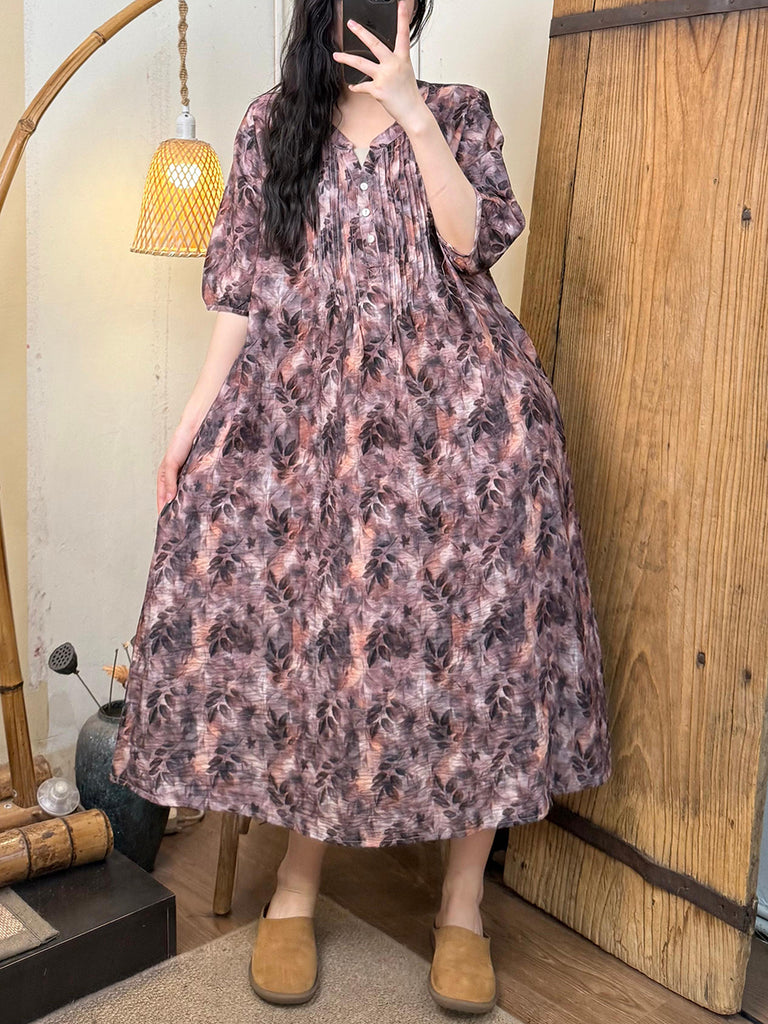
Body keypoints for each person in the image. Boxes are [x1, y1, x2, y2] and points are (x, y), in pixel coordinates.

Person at [110, 0, 612, 1013]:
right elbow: (246, 287)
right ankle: (296, 885)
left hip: (459, 402)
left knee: (485, 634)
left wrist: (412, 110)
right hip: (311, 401)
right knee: (308, 627)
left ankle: (462, 905)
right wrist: (194, 417)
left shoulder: (459, 110)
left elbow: (471, 244)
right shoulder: (272, 122)